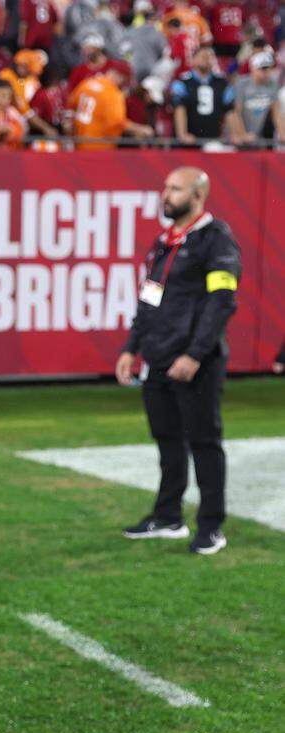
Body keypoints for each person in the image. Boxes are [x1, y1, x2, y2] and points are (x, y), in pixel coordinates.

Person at [117, 167, 240, 556]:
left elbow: (222, 302)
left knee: (204, 443)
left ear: (198, 196)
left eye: (175, 189)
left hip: (196, 362)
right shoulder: (165, 242)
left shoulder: (215, 239)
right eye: (165, 187)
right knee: (168, 440)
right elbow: (148, 298)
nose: (165, 194)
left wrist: (194, 354)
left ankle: (211, 526)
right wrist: (130, 348)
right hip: (158, 358)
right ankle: (168, 516)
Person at [66, 66, 153, 149]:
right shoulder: (113, 94)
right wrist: (141, 129)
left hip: (78, 142)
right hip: (99, 146)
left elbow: (70, 104)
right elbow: (117, 122)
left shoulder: (87, 83)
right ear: (119, 77)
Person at [172, 45, 234, 145]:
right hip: (189, 142)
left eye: (210, 56)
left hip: (214, 141)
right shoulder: (182, 82)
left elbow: (230, 110)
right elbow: (180, 109)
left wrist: (236, 134)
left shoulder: (222, 83)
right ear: (193, 60)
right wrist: (182, 134)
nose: (207, 59)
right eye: (203, 56)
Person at [229, 50, 281, 145]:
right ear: (253, 68)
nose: (266, 72)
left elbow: (277, 112)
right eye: (262, 68)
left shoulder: (273, 85)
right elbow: (234, 113)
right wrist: (242, 134)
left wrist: (283, 133)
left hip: (256, 136)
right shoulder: (241, 83)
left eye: (268, 68)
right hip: (236, 137)